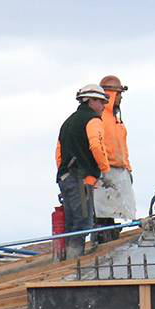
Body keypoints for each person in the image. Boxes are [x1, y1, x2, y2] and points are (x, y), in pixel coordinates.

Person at [54, 84, 112, 255]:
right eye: (101, 102)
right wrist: (104, 169)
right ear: (90, 101)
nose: (103, 107)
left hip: (65, 177)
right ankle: (74, 261)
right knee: (82, 222)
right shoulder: (93, 120)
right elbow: (96, 145)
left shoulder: (68, 122)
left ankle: (65, 258)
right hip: (80, 178)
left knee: (71, 222)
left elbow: (58, 153)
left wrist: (64, 173)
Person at [94, 74, 137, 229]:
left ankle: (110, 235)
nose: (120, 98)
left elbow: (123, 147)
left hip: (119, 172)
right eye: (119, 94)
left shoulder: (116, 120)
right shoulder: (99, 118)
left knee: (116, 213)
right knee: (102, 215)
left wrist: (128, 168)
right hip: (103, 173)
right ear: (111, 95)